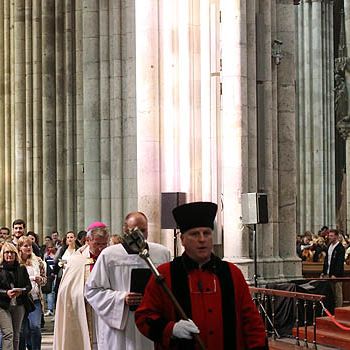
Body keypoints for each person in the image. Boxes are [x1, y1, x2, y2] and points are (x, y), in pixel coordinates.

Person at [135, 202, 268, 350]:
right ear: (182, 240)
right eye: (194, 234)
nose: (202, 239)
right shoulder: (165, 274)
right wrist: (170, 329)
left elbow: (251, 321)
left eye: (207, 233)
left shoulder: (231, 273)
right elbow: (144, 317)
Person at [85, 212, 171, 350]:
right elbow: (92, 290)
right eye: (134, 230)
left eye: (143, 230)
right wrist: (122, 298)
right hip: (121, 329)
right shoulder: (109, 255)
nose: (140, 235)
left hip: (151, 323)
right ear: (125, 230)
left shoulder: (162, 253)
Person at [53, 222, 109, 350]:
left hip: (107, 311)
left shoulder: (111, 257)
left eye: (104, 244)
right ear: (88, 240)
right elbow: (67, 292)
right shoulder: (76, 260)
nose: (101, 248)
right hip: (85, 310)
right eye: (97, 244)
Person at [0, 242, 32, 350]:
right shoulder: (0, 269)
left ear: (16, 254)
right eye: (7, 252)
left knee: (16, 334)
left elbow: (29, 286)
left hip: (19, 304)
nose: (10, 255)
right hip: (3, 305)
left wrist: (21, 291)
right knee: (8, 333)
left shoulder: (21, 268)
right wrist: (6, 293)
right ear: (3, 254)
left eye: (12, 253)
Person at [17, 236, 47, 350]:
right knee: (22, 331)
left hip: (35, 299)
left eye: (30, 245)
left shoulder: (38, 260)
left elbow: (45, 279)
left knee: (35, 327)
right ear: (20, 248)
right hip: (22, 300)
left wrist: (40, 280)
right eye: (25, 246)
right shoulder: (17, 261)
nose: (28, 248)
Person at [321, 229, 345, 307]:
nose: (329, 237)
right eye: (329, 236)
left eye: (331, 236)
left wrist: (335, 274)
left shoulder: (340, 248)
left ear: (336, 236)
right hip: (328, 274)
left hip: (336, 276)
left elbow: (339, 263)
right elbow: (326, 261)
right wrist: (324, 272)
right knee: (330, 294)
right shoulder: (329, 246)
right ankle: (331, 310)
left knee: (337, 294)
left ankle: (339, 309)